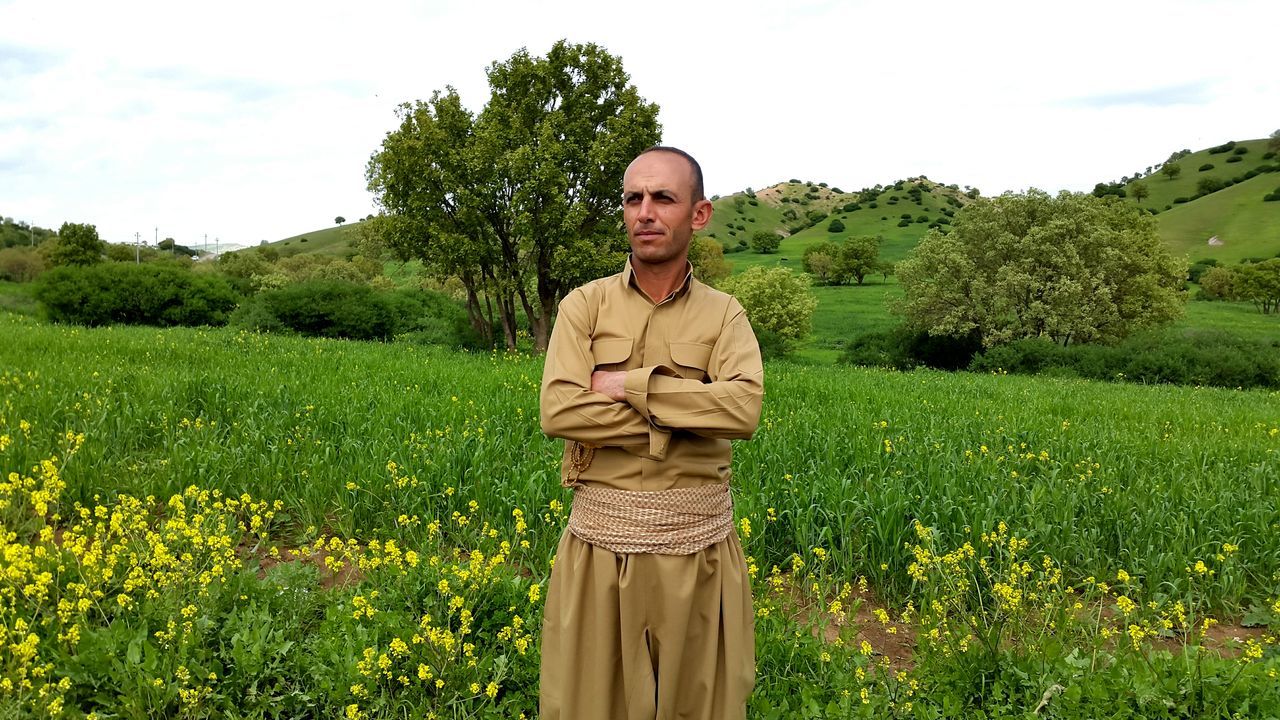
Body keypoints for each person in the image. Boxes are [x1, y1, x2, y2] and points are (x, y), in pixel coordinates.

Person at [538, 146, 764, 720]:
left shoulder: (725, 316)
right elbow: (560, 412)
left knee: (701, 706)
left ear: (699, 214)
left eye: (663, 198)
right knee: (589, 704)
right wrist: (684, 418)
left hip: (697, 554)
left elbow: (741, 411)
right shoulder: (583, 306)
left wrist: (629, 386)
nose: (645, 212)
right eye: (633, 198)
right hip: (599, 551)